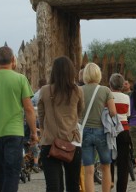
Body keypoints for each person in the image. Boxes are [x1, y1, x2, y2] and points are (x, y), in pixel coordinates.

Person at [0, 46, 38, 192]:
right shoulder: (21, 79)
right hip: (14, 132)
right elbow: (29, 109)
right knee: (12, 172)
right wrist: (34, 132)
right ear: (13, 60)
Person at [38, 56, 83, 192]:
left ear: (54, 72)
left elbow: (41, 116)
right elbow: (80, 112)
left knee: (53, 186)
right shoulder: (77, 91)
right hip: (72, 142)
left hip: (50, 143)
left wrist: (45, 129)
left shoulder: (45, 90)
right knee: (73, 185)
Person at [80, 63, 116, 192]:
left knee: (88, 168)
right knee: (105, 166)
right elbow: (113, 111)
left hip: (84, 132)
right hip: (101, 131)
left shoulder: (79, 90)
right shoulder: (105, 90)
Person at [109, 74, 130, 192]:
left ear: (110, 84)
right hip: (124, 130)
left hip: (111, 130)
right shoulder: (126, 98)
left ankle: (109, 181)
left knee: (109, 159)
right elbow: (128, 115)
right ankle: (121, 189)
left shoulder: (108, 96)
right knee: (123, 163)